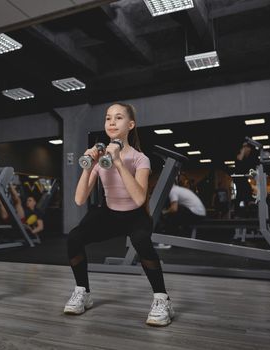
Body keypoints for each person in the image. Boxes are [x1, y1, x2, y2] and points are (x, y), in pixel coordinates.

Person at [63, 102, 174, 326]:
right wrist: (88, 167)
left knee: (141, 240)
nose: (112, 122)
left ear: (131, 124)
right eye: (108, 118)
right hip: (109, 213)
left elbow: (140, 198)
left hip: (135, 216)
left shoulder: (140, 159)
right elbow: (79, 199)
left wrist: (118, 163)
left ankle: (162, 299)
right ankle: (83, 292)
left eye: (119, 118)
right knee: (74, 238)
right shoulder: (100, 156)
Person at [233, 142, 257, 217]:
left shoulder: (247, 160)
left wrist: (254, 175)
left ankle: (248, 206)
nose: (249, 152)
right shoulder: (239, 157)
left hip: (244, 181)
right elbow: (239, 159)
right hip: (239, 181)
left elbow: (252, 171)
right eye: (248, 151)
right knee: (241, 194)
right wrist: (244, 148)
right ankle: (238, 213)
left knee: (247, 190)